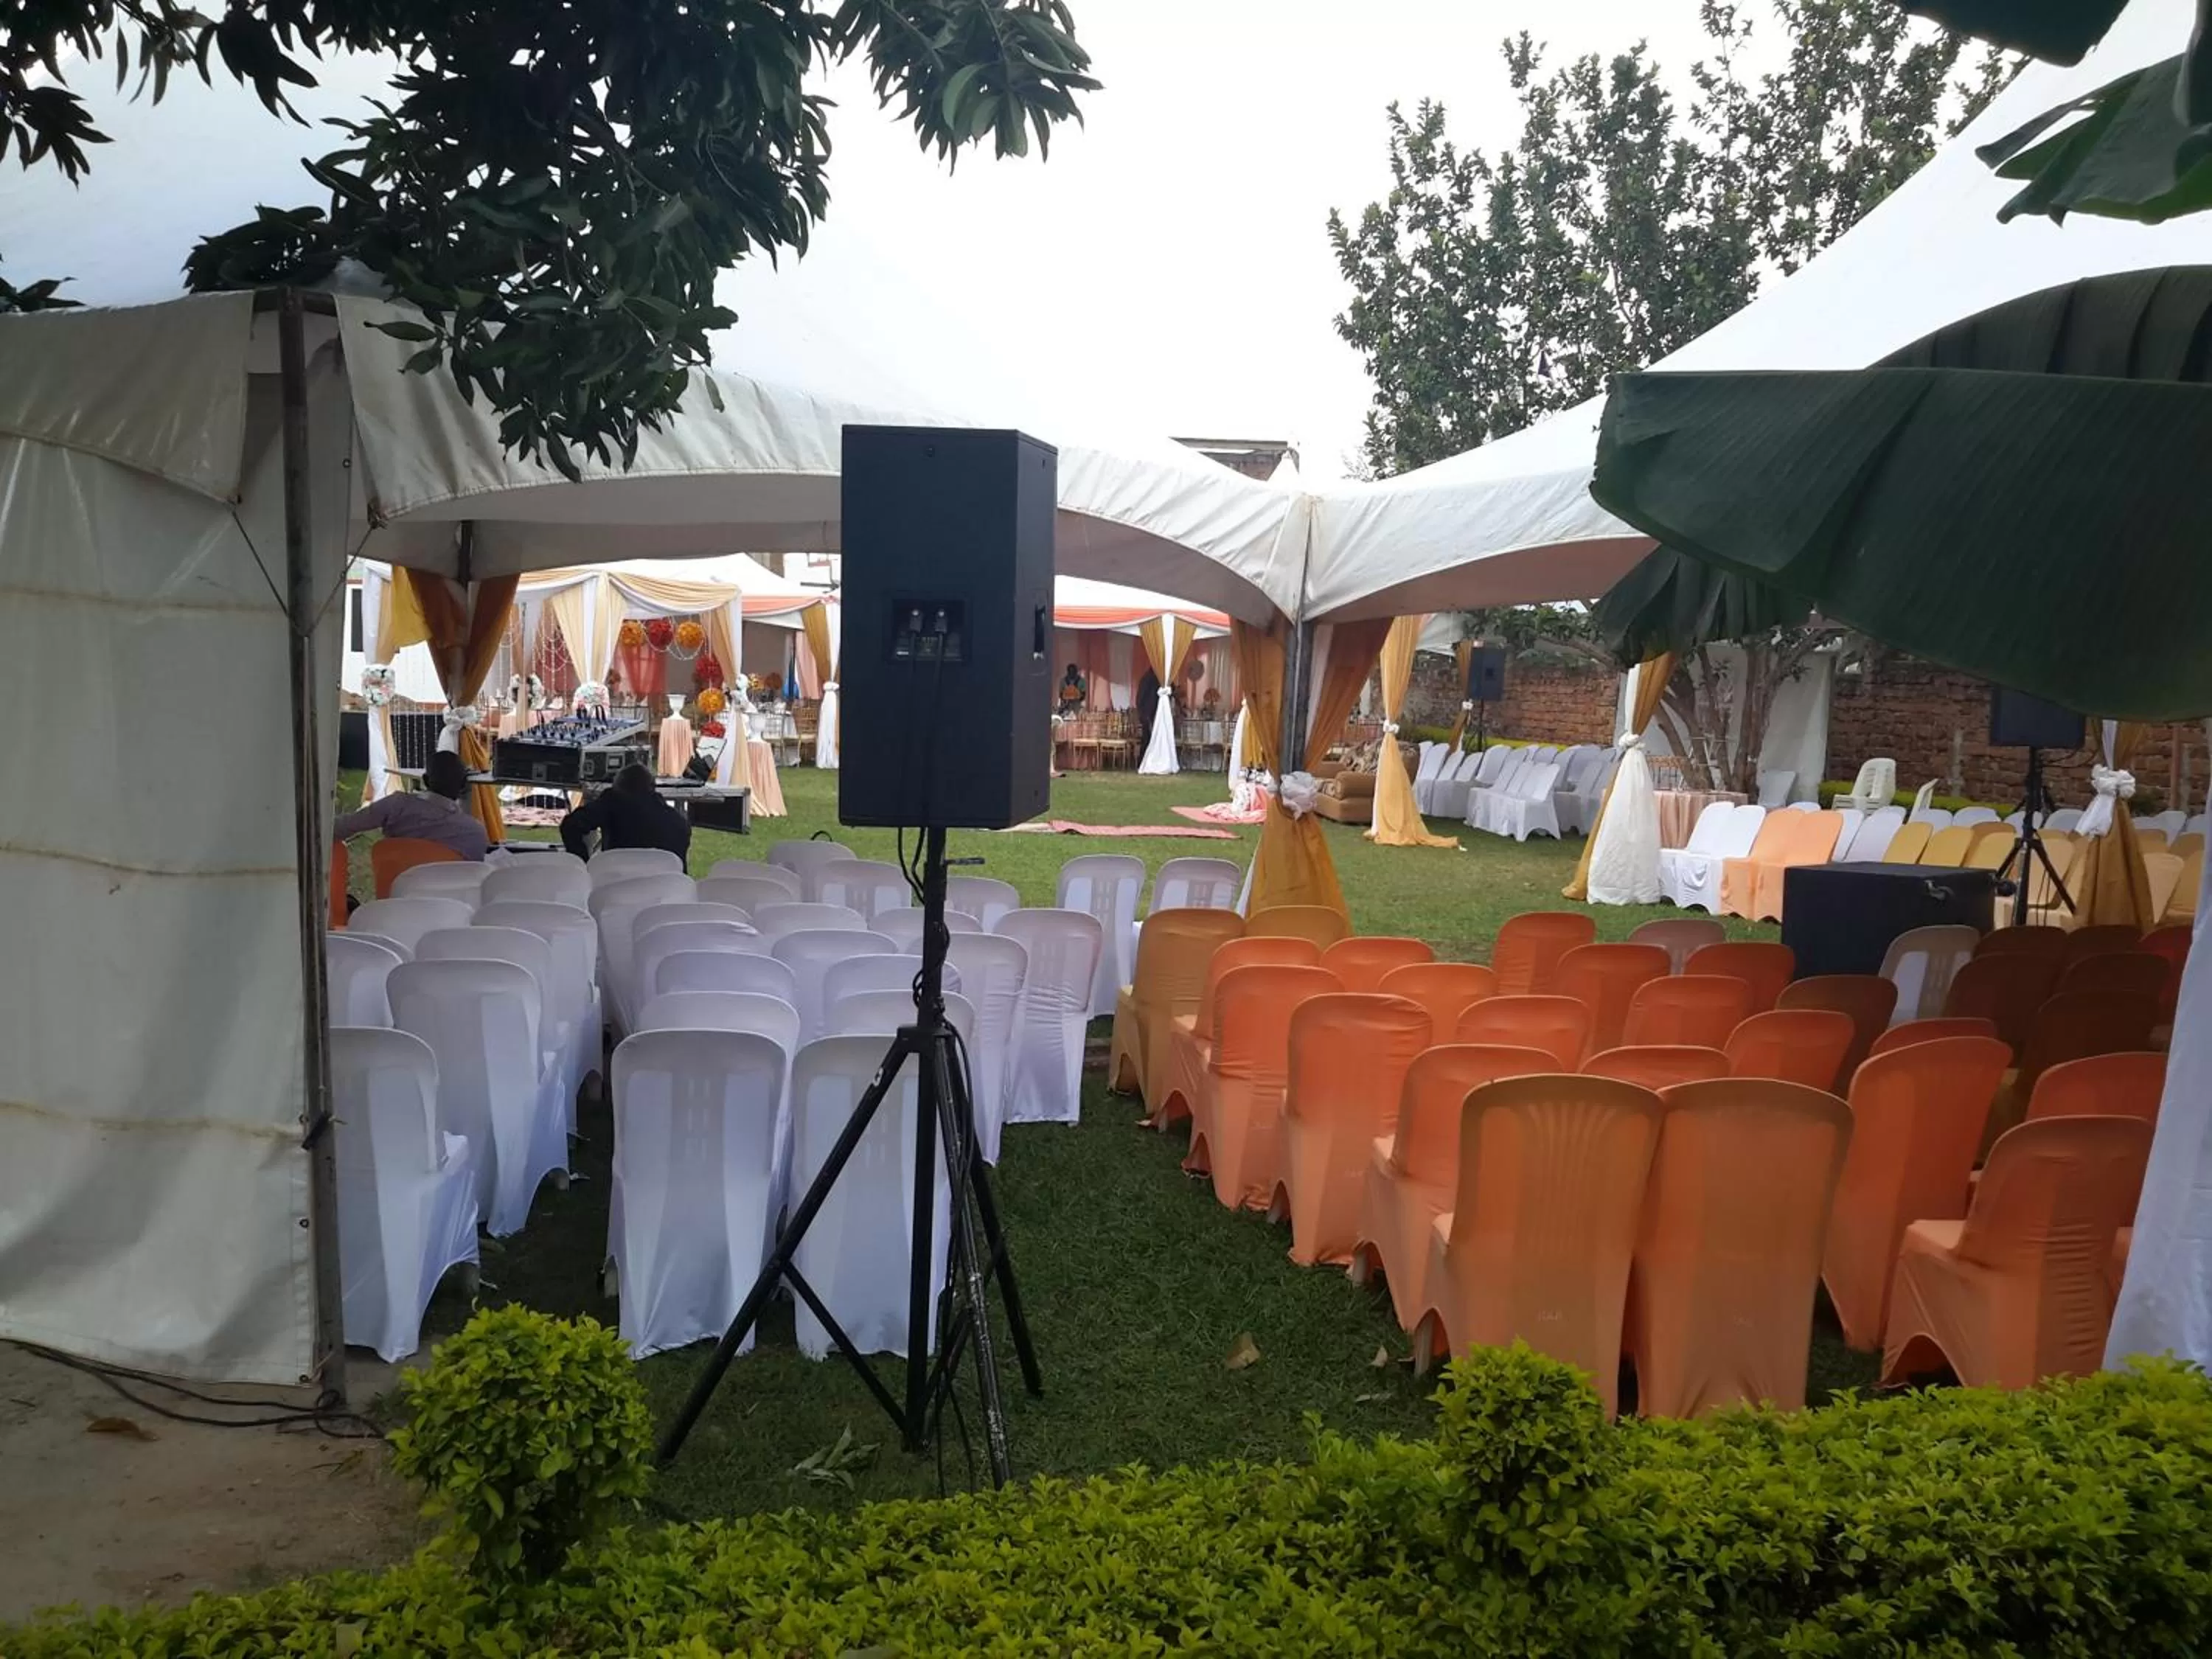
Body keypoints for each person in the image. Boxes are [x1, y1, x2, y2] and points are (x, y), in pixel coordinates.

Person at [333, 751, 490, 860]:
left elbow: (339, 828)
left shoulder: (395, 806)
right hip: (448, 904)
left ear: (425, 781)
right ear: (464, 785)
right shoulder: (474, 832)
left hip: (394, 897)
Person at [561, 763, 691, 862]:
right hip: (664, 893)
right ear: (653, 788)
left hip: (614, 887)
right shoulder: (680, 824)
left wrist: (583, 863)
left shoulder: (613, 800)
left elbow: (571, 825)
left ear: (618, 787)